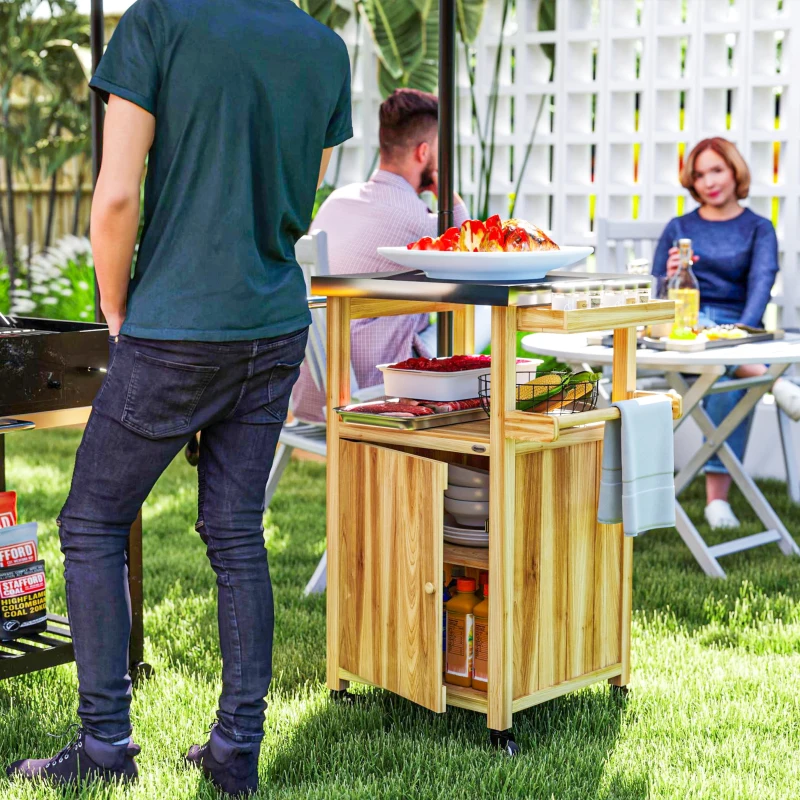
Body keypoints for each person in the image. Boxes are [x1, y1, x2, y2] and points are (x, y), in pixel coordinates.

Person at [5, 0, 352, 794]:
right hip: (273, 327)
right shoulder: (323, 47)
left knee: (91, 519)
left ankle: (103, 748)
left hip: (177, 326)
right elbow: (302, 193)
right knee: (236, 532)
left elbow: (118, 198)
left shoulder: (158, 22)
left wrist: (119, 309)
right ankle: (236, 753)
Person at [291, 88, 470, 423]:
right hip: (371, 382)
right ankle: (457, 419)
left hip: (316, 380)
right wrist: (448, 188)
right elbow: (469, 251)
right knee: (482, 319)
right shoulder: (419, 221)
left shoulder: (339, 200)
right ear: (424, 152)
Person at [653, 137, 800, 530]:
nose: (708, 181)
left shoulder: (758, 228)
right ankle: (772, 380)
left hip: (739, 328)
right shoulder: (679, 227)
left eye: (716, 169)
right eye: (699, 174)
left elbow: (761, 286)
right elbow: (655, 298)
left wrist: (737, 336)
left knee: (720, 369)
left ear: (735, 171)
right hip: (685, 330)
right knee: (719, 362)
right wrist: (668, 280)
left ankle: (715, 501)